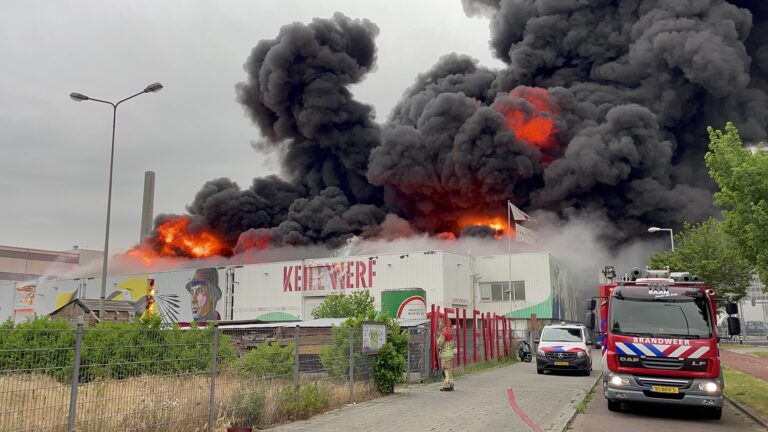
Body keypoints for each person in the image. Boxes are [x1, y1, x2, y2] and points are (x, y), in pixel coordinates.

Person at [437, 320, 455, 391]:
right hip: (450, 354)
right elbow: (453, 344)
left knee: (445, 370)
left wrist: (437, 341)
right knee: (449, 370)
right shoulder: (449, 333)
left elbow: (440, 343)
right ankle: (451, 385)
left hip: (445, 355)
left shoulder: (443, 334)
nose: (438, 326)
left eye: (439, 325)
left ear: (442, 325)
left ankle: (447, 386)